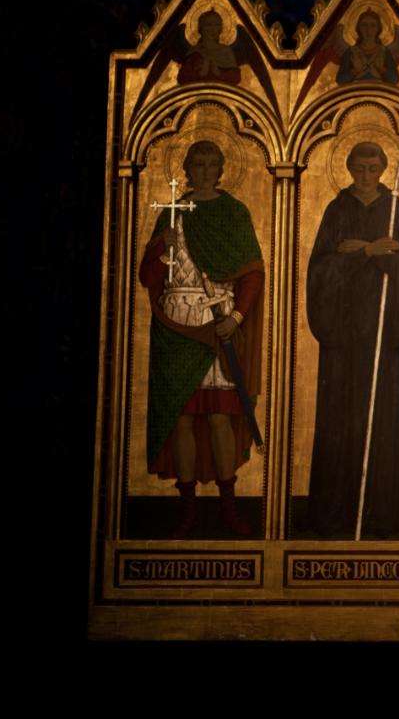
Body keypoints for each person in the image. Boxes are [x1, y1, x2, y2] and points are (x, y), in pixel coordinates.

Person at [140, 139, 265, 538]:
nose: (206, 170)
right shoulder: (171, 214)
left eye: (213, 163)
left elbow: (252, 272)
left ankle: (229, 509)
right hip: (176, 322)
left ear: (222, 168)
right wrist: (163, 254)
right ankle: (187, 511)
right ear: (188, 169)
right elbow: (147, 278)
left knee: (218, 416)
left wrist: (238, 317)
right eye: (199, 163)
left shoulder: (233, 212)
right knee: (181, 418)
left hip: (217, 320)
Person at [305, 141, 399, 537]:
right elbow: (320, 269)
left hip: (383, 334)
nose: (367, 173)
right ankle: (334, 512)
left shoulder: (396, 209)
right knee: (340, 421)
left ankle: (384, 513)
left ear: (383, 168)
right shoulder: (338, 209)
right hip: (342, 337)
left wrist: (372, 253)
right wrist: (363, 255)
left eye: (374, 167)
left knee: (382, 420)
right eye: (360, 166)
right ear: (349, 167)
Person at [336, 11, 399, 84]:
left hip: (379, 92)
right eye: (364, 25)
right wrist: (355, 71)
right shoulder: (352, 52)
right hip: (356, 92)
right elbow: (340, 80)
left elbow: (395, 79)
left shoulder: (384, 51)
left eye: (373, 25)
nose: (368, 30)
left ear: (379, 28)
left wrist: (382, 69)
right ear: (358, 28)